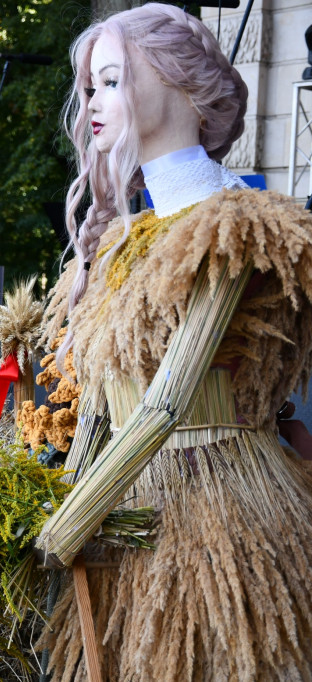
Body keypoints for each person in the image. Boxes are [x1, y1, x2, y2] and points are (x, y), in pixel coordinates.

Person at [34, 4, 312, 680]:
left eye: (109, 81)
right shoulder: (123, 243)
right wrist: (65, 497)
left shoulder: (236, 224)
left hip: (217, 508)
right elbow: (103, 401)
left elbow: (166, 403)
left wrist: (71, 521)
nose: (92, 104)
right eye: (89, 88)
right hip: (126, 508)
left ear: (182, 84)